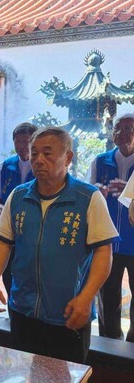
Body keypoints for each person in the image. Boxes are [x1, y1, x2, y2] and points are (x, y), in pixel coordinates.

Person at [0, 127, 119, 363]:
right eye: (34, 153)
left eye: (47, 154)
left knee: (64, 376)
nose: (38, 160)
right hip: (23, 310)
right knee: (25, 373)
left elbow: (103, 252)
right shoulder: (18, 196)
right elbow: (2, 243)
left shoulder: (87, 198)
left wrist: (86, 298)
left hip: (69, 313)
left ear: (68, 157)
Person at [87, 113, 134, 342]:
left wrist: (130, 191)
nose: (123, 133)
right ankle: (109, 344)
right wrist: (96, 191)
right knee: (107, 296)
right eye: (118, 127)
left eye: (129, 128)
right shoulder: (100, 161)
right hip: (108, 242)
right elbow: (87, 194)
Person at [0, 122, 38, 295]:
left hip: (33, 234)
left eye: (26, 142)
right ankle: (14, 316)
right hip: (9, 233)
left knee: (30, 279)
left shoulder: (42, 167)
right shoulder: (6, 166)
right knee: (8, 276)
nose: (21, 146)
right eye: (17, 142)